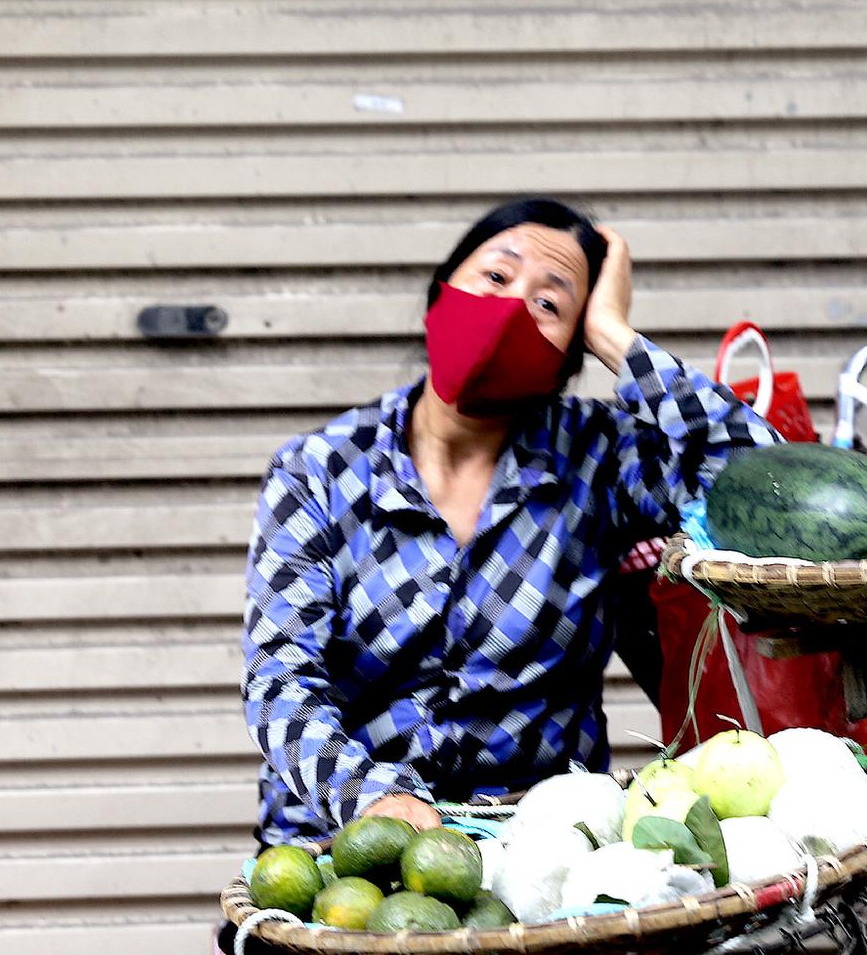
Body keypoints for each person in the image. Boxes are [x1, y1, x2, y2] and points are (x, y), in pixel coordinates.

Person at [240, 198, 779, 845]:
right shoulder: (319, 469)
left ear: (566, 357)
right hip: (340, 850)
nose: (512, 309)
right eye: (496, 277)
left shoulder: (598, 456)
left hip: (537, 853)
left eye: (550, 304)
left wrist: (613, 333)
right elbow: (279, 676)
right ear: (439, 295)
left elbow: (768, 489)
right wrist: (370, 798)